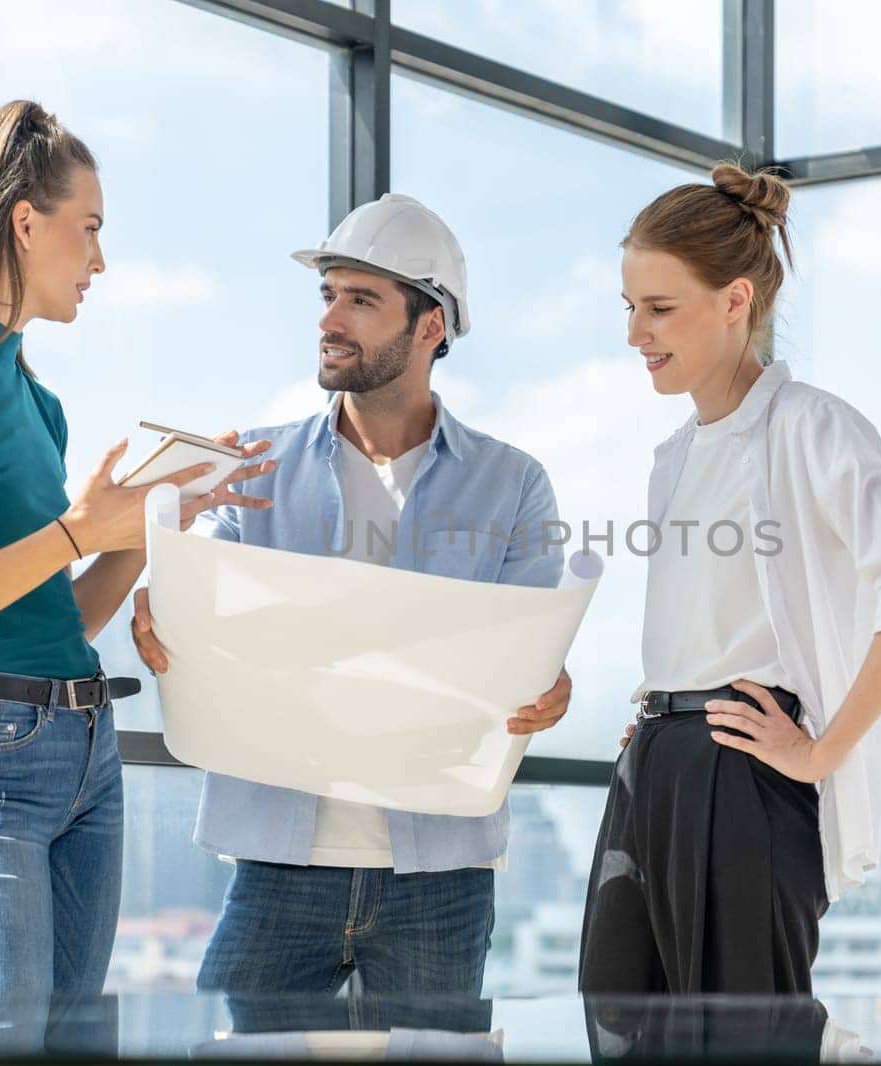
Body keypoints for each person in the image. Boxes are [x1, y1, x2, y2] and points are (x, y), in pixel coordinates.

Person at [0, 100, 272, 1053]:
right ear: (23, 220)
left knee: (73, 1037)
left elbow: (62, 618)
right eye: (89, 229)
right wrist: (77, 526)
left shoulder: (39, 404)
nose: (100, 260)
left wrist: (148, 524)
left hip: (87, 750)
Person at [131, 193, 573, 998]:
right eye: (328, 295)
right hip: (276, 860)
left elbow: (524, 653)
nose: (331, 318)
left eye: (362, 299)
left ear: (430, 325)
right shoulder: (255, 467)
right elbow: (207, 615)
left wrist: (548, 680)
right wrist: (163, 604)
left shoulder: (513, 484)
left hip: (440, 874)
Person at [578, 163, 881, 994]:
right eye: (630, 309)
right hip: (654, 763)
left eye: (659, 308)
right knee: (616, 1018)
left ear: (735, 300)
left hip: (743, 772)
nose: (635, 333)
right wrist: (662, 710)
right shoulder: (674, 457)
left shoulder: (814, 427)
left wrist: (823, 751)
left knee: (745, 1034)